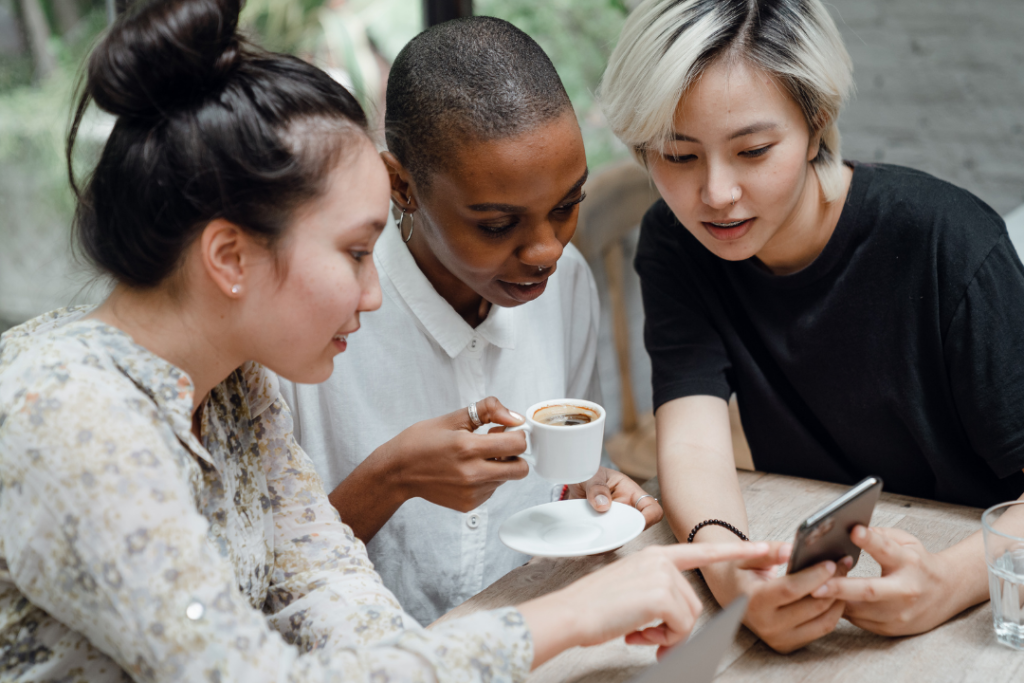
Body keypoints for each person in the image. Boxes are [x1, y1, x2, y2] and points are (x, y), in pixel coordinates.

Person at [0, 0, 778, 680]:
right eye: (356, 252)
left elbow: (337, 601)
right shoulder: (71, 413)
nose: (375, 294)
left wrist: (577, 614)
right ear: (230, 256)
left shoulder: (237, 390)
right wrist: (565, 619)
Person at [599, 0, 1024, 654]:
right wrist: (733, 573)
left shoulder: (950, 243)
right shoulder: (678, 242)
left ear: (817, 120)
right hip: (817, 575)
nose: (716, 193)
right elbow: (692, 446)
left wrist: (947, 582)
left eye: (753, 150)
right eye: (677, 156)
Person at [279, 16, 662, 627]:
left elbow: (566, 485)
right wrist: (390, 478)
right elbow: (263, 583)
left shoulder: (569, 288)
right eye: (496, 225)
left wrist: (592, 490)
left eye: (567, 207)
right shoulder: (314, 324)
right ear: (400, 185)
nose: (546, 252)